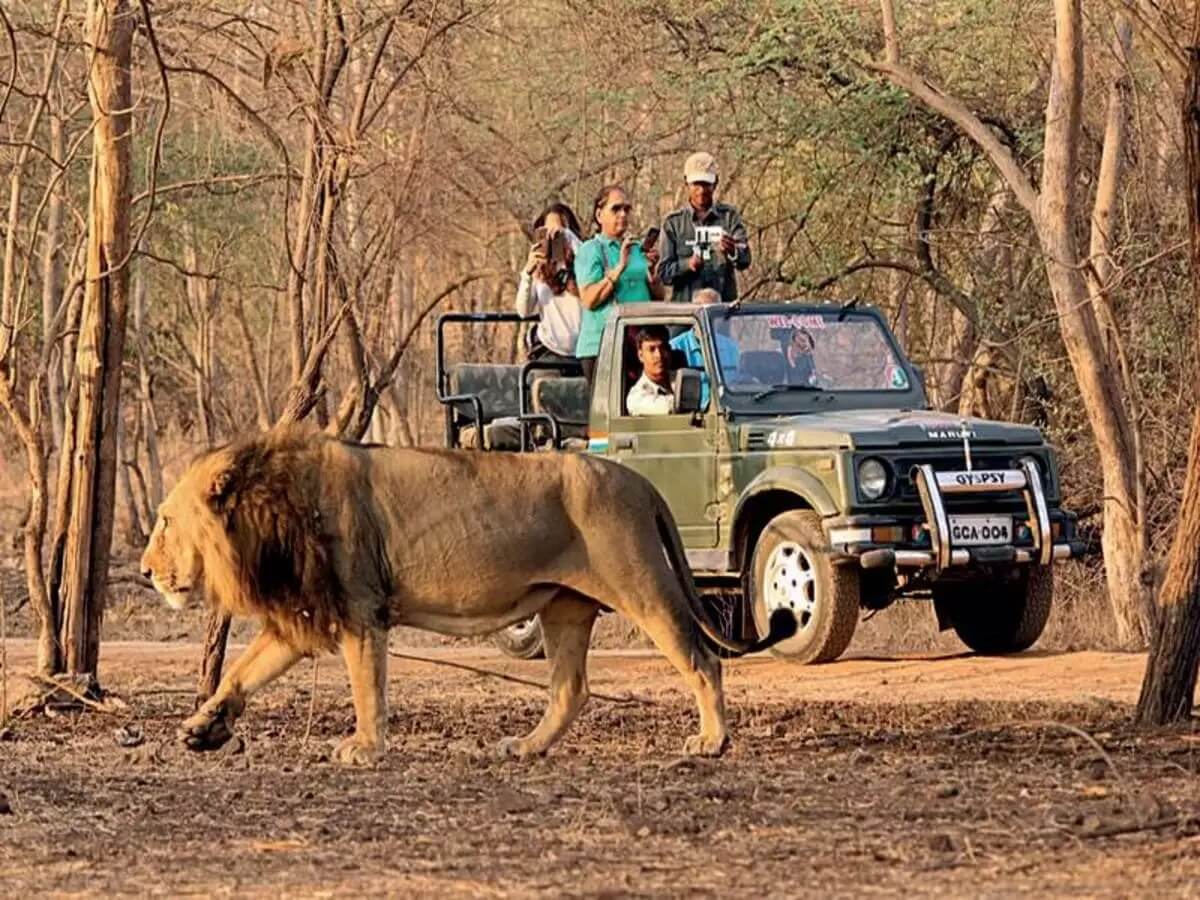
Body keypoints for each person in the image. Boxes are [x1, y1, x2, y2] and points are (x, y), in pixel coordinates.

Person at [574, 185, 665, 386]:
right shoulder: (591, 250)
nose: (622, 215)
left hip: (640, 344)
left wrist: (652, 272)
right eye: (616, 209)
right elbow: (589, 300)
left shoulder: (637, 249)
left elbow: (659, 297)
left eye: (626, 209)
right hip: (604, 346)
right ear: (599, 214)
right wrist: (619, 268)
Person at [657, 152, 751, 304]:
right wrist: (687, 265)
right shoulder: (674, 223)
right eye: (696, 184)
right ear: (686, 183)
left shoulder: (728, 217)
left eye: (706, 184)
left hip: (723, 311)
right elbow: (664, 273)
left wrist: (732, 250)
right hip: (685, 314)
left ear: (715, 183)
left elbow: (745, 259)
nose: (701, 190)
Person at [515, 203, 584, 364]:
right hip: (550, 349)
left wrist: (569, 238)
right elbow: (523, 311)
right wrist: (527, 273)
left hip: (582, 351)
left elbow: (591, 266)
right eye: (548, 232)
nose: (554, 237)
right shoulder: (540, 271)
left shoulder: (583, 262)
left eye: (558, 232)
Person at [669, 287, 739, 407]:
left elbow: (736, 385)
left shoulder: (731, 347)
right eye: (703, 315)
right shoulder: (675, 347)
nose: (706, 321)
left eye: (712, 315)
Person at [626, 325, 675, 416]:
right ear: (641, 356)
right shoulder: (636, 397)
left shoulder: (680, 378)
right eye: (652, 349)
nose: (659, 355)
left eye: (663, 348)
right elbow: (667, 408)